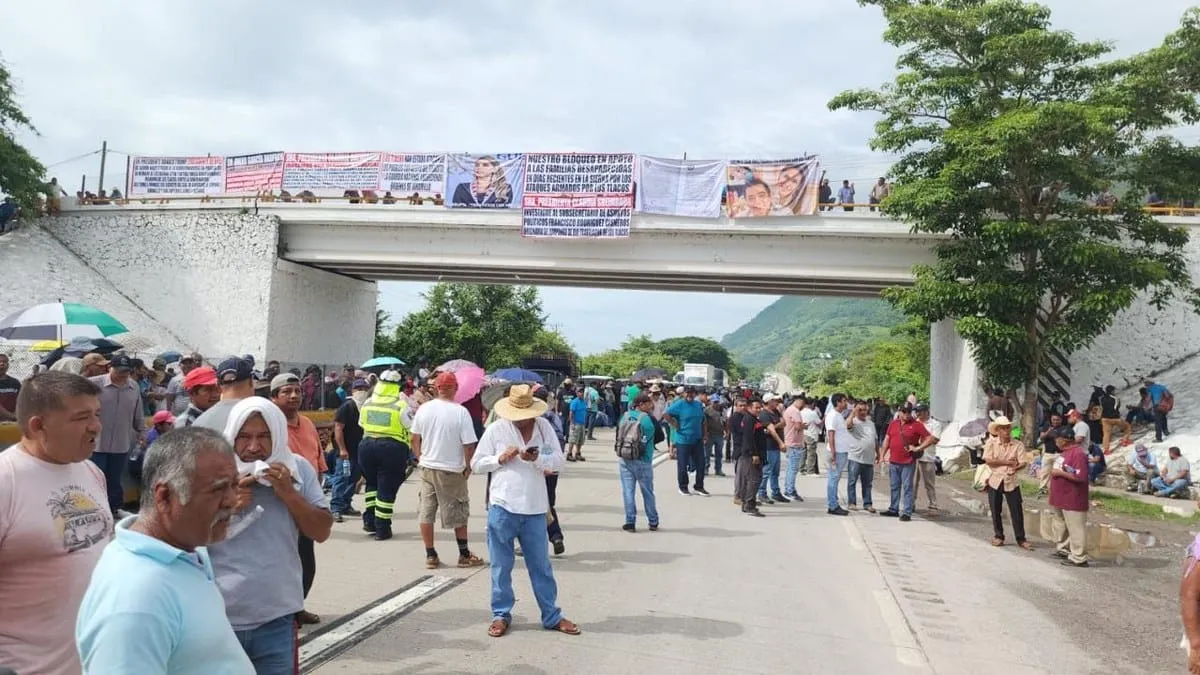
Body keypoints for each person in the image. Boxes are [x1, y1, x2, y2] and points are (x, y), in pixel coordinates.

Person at [75, 428, 253, 674]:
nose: (232, 500)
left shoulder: (184, 552)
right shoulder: (136, 596)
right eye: (218, 489)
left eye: (235, 485)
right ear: (165, 496)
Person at [0, 372, 113, 675]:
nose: (95, 426)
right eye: (81, 417)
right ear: (38, 426)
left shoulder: (91, 472)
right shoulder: (6, 480)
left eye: (97, 415)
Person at [212, 397, 332, 673]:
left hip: (276, 618)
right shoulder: (213, 471)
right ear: (231, 435)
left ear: (278, 435)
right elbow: (186, 540)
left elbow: (321, 531)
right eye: (244, 437)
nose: (254, 447)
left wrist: (290, 494)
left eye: (265, 436)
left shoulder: (297, 469)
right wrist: (225, 509)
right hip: (217, 618)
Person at [470, 385, 579, 639]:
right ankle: (500, 614)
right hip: (502, 505)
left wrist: (537, 460)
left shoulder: (544, 429)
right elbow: (476, 463)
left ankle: (551, 615)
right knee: (501, 566)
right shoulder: (497, 429)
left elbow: (558, 460)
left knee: (541, 566)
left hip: (535, 508)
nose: (522, 420)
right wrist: (499, 458)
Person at [411, 372, 485, 569]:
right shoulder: (460, 412)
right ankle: (464, 554)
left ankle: (430, 554)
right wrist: (468, 466)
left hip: (427, 467)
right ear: (456, 389)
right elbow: (469, 444)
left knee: (426, 511)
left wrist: (420, 458)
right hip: (452, 469)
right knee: (459, 511)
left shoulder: (424, 409)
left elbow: (414, 439)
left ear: (436, 388)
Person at [268, 373, 326, 625]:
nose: (293, 396)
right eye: (286, 391)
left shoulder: (307, 423)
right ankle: (284, 613)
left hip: (308, 503)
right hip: (282, 502)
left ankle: (297, 607)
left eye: (297, 391)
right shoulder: (271, 427)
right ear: (273, 397)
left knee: (306, 561)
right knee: (284, 562)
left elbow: (317, 454)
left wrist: (321, 472)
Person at [357, 370, 414, 541]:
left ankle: (369, 521)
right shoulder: (400, 405)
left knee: (372, 484)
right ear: (396, 386)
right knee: (386, 488)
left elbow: (361, 424)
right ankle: (382, 528)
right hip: (392, 448)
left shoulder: (367, 402)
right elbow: (411, 427)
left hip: (366, 446)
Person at [90, 353, 146, 514]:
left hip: (121, 443)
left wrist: (142, 431)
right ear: (110, 368)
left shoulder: (133, 386)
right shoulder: (94, 384)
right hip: (96, 443)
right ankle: (95, 510)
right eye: (120, 370)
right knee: (96, 478)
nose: (124, 374)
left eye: (127, 371)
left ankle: (115, 509)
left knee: (114, 479)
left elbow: (138, 412)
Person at [981, 416, 1033, 550]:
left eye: (1008, 427)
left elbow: (1023, 462)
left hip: (1011, 480)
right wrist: (1007, 463)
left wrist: (1016, 467)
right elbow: (988, 460)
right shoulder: (991, 443)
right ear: (997, 430)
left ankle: (1021, 538)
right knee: (995, 509)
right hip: (995, 479)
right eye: (1003, 428)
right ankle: (999, 535)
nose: (1006, 431)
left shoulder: (1018, 444)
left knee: (1016, 510)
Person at [616, 393, 660, 532]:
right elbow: (656, 436)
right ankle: (653, 521)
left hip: (625, 458)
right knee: (647, 491)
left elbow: (619, 433)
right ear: (641, 404)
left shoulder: (625, 416)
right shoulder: (647, 419)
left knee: (628, 491)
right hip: (643, 460)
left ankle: (630, 521)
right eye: (648, 403)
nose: (651, 405)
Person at [1047, 427, 1089, 567]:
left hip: (1073, 498)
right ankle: (1064, 549)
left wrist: (1059, 473)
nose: (1055, 441)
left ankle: (1078, 557)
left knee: (1076, 528)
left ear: (1064, 440)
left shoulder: (1077, 454)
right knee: (1062, 525)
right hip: (1061, 497)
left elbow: (1080, 477)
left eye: (1056, 438)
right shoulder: (1065, 453)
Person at [880, 405, 931, 522]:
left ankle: (907, 512)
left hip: (908, 461)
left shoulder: (916, 425)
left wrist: (918, 448)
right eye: (904, 412)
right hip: (894, 460)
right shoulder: (894, 424)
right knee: (894, 486)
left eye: (909, 412)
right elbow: (887, 439)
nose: (906, 414)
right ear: (899, 412)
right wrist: (882, 455)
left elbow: (929, 438)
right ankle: (893, 509)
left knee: (907, 487)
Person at [330, 378, 369, 521]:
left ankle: (346, 504)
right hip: (346, 452)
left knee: (353, 478)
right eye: (359, 389)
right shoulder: (347, 407)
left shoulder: (366, 407)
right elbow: (338, 429)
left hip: (359, 451)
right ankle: (335, 508)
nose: (362, 392)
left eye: (364, 389)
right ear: (353, 391)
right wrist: (342, 449)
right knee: (342, 478)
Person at [666, 387, 708, 496]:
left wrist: (705, 434)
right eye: (687, 393)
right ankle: (683, 487)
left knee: (701, 464)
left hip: (697, 439)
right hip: (683, 439)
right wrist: (674, 424)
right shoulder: (679, 404)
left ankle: (699, 486)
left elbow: (703, 421)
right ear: (684, 394)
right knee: (683, 465)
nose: (690, 395)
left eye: (692, 393)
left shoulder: (698, 405)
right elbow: (666, 414)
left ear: (695, 394)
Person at [844, 401, 878, 512]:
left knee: (867, 483)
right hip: (855, 457)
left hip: (869, 458)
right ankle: (852, 502)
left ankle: (867, 503)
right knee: (852, 481)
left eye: (865, 410)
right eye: (860, 410)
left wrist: (878, 453)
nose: (863, 412)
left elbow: (875, 439)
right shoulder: (854, 422)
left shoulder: (871, 423)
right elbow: (848, 425)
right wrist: (853, 413)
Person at [737, 400, 768, 517]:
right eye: (756, 408)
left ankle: (746, 503)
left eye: (760, 408)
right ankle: (749, 504)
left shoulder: (753, 419)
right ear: (750, 408)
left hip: (754, 453)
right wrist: (754, 453)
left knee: (750, 479)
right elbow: (749, 438)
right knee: (754, 480)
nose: (759, 410)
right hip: (751, 455)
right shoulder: (749, 419)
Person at [912, 404, 943, 516]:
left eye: (920, 411)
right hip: (914, 456)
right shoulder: (914, 422)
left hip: (927, 456)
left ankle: (933, 506)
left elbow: (934, 439)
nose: (918, 414)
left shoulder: (935, 424)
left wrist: (920, 447)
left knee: (929, 483)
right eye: (917, 412)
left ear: (926, 412)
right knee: (912, 482)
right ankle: (911, 504)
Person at [756, 394, 788, 503]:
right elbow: (771, 430)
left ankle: (775, 492)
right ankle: (762, 492)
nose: (777, 402)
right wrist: (781, 443)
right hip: (769, 445)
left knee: (775, 471)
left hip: (775, 446)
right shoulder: (764, 414)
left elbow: (784, 423)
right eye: (774, 400)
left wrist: (777, 424)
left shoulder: (775, 412)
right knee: (767, 471)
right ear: (768, 402)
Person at [824, 393, 851, 516]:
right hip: (836, 452)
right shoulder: (833, 416)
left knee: (835, 478)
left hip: (841, 451)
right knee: (833, 479)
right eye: (844, 401)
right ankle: (833, 505)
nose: (846, 403)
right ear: (838, 402)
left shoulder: (838, 415)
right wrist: (833, 453)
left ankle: (833, 503)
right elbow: (831, 435)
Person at [781, 396, 808, 499]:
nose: (803, 407)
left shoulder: (789, 410)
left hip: (790, 441)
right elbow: (797, 426)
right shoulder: (795, 411)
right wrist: (804, 426)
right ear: (799, 402)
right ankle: (790, 490)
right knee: (793, 468)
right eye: (803, 404)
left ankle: (789, 488)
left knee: (790, 468)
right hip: (794, 443)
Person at [1099, 384, 1132, 453]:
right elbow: (1116, 408)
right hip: (1115, 418)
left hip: (1105, 418)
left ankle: (1106, 450)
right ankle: (1125, 440)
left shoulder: (1101, 398)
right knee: (1127, 427)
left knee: (1106, 434)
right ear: (1112, 391)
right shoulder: (1115, 398)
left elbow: (1102, 407)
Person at [703, 397, 726, 477]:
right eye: (714, 402)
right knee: (707, 453)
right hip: (710, 434)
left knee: (719, 454)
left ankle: (718, 469)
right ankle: (705, 469)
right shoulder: (706, 410)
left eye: (717, 402)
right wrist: (705, 434)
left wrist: (727, 431)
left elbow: (725, 421)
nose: (716, 404)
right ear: (711, 402)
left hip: (719, 434)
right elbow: (704, 423)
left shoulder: (722, 410)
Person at [801, 398, 822, 475]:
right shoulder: (812, 413)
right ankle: (810, 470)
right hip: (811, 434)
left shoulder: (801, 412)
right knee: (811, 453)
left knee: (803, 452)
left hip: (803, 434)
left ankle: (801, 469)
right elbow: (819, 423)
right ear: (812, 404)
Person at [566, 388, 588, 462]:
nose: (581, 393)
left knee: (580, 440)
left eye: (582, 392)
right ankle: (569, 454)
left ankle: (578, 453)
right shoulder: (574, 402)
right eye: (579, 392)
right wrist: (572, 423)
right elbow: (571, 413)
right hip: (575, 423)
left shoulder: (584, 402)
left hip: (582, 423)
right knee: (573, 439)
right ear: (577, 393)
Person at [0, 353, 19, 422]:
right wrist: (12, 416)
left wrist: (16, 414)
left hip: (11, 424)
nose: (2, 364)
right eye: (0, 361)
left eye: (4, 362)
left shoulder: (15, 383)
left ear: (8, 365)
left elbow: (20, 401)